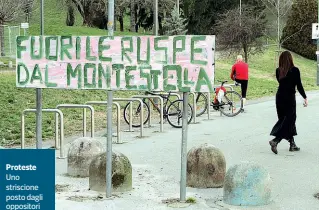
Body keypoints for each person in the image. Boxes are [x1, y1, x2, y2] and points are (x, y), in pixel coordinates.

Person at [269, 51, 308, 155]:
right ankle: (275, 141)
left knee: (285, 121)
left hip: (279, 98)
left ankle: (292, 144)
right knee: (289, 121)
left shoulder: (278, 71)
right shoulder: (295, 70)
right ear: (290, 59)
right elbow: (298, 85)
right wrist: (305, 97)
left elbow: (281, 83)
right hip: (289, 99)